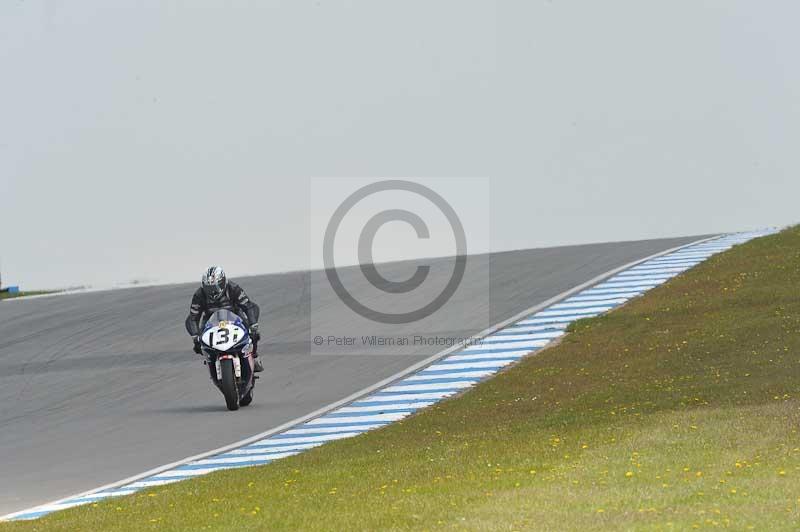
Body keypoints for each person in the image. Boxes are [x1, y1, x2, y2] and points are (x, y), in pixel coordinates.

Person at [185, 266, 264, 373]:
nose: (212, 292)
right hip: (210, 321)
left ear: (223, 283)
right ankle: (211, 359)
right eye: (209, 289)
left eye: (215, 288)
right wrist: (195, 337)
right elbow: (193, 317)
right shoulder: (199, 295)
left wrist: (253, 325)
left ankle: (254, 356)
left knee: (253, 334)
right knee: (200, 344)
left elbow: (248, 306)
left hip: (235, 317)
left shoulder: (233, 288)